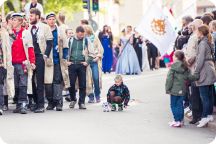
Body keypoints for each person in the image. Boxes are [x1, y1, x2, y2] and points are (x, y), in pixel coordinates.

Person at [29, 8, 53, 113]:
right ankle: (35, 102)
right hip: (30, 57)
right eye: (29, 16)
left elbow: (50, 42)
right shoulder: (28, 28)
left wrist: (45, 55)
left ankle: (41, 105)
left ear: (37, 16)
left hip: (40, 56)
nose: (30, 17)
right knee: (30, 80)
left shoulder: (45, 27)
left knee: (39, 81)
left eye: (32, 16)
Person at [166, 50, 199, 127]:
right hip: (183, 89)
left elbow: (169, 79)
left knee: (173, 105)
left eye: (174, 55)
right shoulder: (185, 66)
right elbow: (190, 77)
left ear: (177, 57)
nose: (173, 57)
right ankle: (180, 120)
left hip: (174, 90)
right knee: (180, 105)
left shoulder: (173, 67)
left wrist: (167, 88)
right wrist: (197, 75)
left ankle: (177, 120)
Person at [11, 13, 36, 114]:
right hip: (11, 63)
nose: (12, 21)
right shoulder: (9, 33)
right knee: (15, 85)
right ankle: (17, 104)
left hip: (23, 63)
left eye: (15, 20)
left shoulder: (26, 33)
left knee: (23, 84)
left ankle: (23, 104)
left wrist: (32, 61)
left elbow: (30, 48)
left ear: (20, 22)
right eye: (12, 20)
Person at [45, 12, 69, 111]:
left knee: (57, 82)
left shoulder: (60, 31)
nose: (51, 21)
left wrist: (64, 56)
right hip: (47, 61)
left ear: (56, 20)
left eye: (53, 19)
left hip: (57, 60)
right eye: (50, 19)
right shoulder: (43, 30)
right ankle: (51, 102)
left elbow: (65, 45)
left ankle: (59, 103)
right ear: (46, 20)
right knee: (48, 83)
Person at [194, 25, 216, 128]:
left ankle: (204, 117)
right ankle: (208, 115)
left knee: (204, 96)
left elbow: (200, 59)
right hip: (210, 69)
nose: (196, 33)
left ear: (201, 32)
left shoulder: (203, 43)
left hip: (205, 70)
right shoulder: (208, 41)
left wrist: (196, 72)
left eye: (197, 31)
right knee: (210, 95)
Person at [67, 26, 94, 110]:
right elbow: (64, 51)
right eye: (80, 35)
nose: (81, 36)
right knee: (71, 84)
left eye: (82, 35)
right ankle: (73, 99)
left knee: (82, 84)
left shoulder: (86, 40)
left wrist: (87, 62)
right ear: (76, 33)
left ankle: (81, 102)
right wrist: (67, 62)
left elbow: (92, 53)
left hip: (82, 65)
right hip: (71, 64)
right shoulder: (70, 40)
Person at [185, 19, 203, 124]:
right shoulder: (199, 37)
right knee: (197, 93)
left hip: (193, 68)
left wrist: (187, 62)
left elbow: (192, 54)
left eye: (192, 25)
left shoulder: (194, 37)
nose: (190, 27)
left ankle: (196, 116)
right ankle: (198, 115)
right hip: (197, 68)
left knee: (195, 93)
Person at [84, 25, 103, 103]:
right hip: (86, 61)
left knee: (96, 78)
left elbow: (100, 48)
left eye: (84, 30)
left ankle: (97, 95)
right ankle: (90, 96)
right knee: (88, 80)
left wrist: (98, 57)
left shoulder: (95, 38)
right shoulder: (83, 39)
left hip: (94, 61)